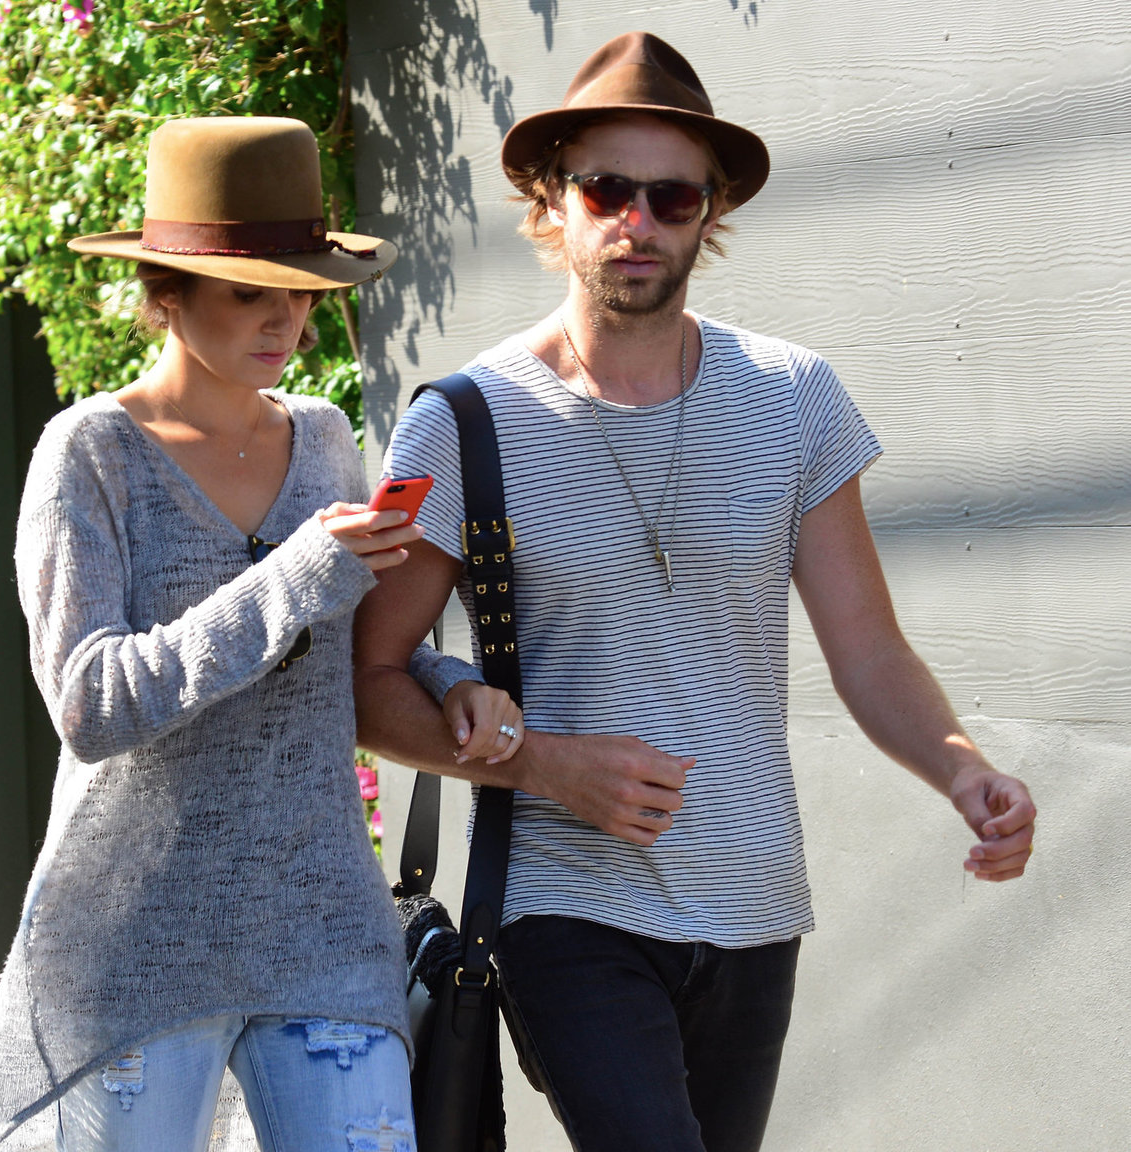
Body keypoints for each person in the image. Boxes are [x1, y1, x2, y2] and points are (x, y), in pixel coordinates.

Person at [352, 32, 1037, 1152]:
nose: (639, 222)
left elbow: (867, 651)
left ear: (709, 214)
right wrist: (545, 765)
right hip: (565, 904)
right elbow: (368, 679)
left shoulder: (794, 398)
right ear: (553, 201)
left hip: (756, 899)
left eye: (672, 198)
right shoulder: (467, 421)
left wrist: (964, 772)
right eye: (607, 189)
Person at [0, 116, 521, 1152]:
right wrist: (293, 574)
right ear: (166, 297)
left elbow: (339, 648)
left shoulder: (325, 439)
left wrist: (447, 681)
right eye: (251, 291)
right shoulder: (90, 455)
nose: (285, 320)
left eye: (300, 292)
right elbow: (91, 705)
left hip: (324, 926)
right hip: (139, 944)